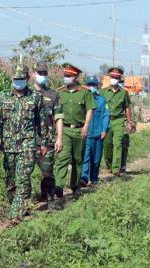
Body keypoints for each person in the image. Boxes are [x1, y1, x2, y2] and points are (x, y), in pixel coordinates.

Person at [0, 63, 49, 225]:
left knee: (23, 178)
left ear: (27, 78)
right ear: (11, 78)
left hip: (27, 144)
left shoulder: (35, 97)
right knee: (10, 181)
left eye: (21, 78)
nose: (18, 81)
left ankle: (15, 215)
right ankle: (19, 205)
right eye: (16, 78)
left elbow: (42, 122)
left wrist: (44, 142)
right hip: (9, 145)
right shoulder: (3, 97)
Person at [54, 63, 96, 200]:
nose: (66, 78)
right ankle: (59, 186)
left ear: (76, 77)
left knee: (78, 159)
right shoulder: (60, 92)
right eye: (65, 76)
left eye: (69, 76)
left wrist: (86, 125)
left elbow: (90, 109)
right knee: (62, 158)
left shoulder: (85, 92)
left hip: (79, 130)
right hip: (65, 130)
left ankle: (75, 186)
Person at [31, 61, 64, 204]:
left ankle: (49, 201)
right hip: (27, 140)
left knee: (47, 172)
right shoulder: (26, 94)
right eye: (40, 73)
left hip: (47, 139)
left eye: (45, 73)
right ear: (33, 74)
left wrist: (59, 138)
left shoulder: (53, 95)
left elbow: (59, 118)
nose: (42, 76)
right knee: (23, 174)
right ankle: (24, 204)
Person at [100, 66, 132, 176]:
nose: (114, 78)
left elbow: (127, 107)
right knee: (107, 144)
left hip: (118, 120)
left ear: (119, 79)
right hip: (106, 121)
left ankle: (116, 168)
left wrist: (129, 122)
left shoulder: (123, 93)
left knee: (118, 144)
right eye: (112, 76)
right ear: (109, 77)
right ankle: (109, 164)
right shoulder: (103, 92)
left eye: (116, 77)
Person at [80, 76, 109, 187]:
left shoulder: (102, 100)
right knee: (86, 157)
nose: (91, 87)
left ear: (97, 86)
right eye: (89, 85)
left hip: (98, 134)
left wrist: (104, 130)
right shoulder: (83, 98)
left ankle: (94, 178)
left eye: (94, 85)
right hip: (86, 133)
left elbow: (106, 115)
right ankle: (84, 177)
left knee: (96, 159)